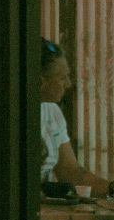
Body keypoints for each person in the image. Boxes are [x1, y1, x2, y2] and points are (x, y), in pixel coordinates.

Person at [40, 39, 108, 195]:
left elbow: (71, 173)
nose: (68, 84)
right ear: (40, 82)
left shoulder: (53, 112)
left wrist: (111, 189)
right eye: (62, 78)